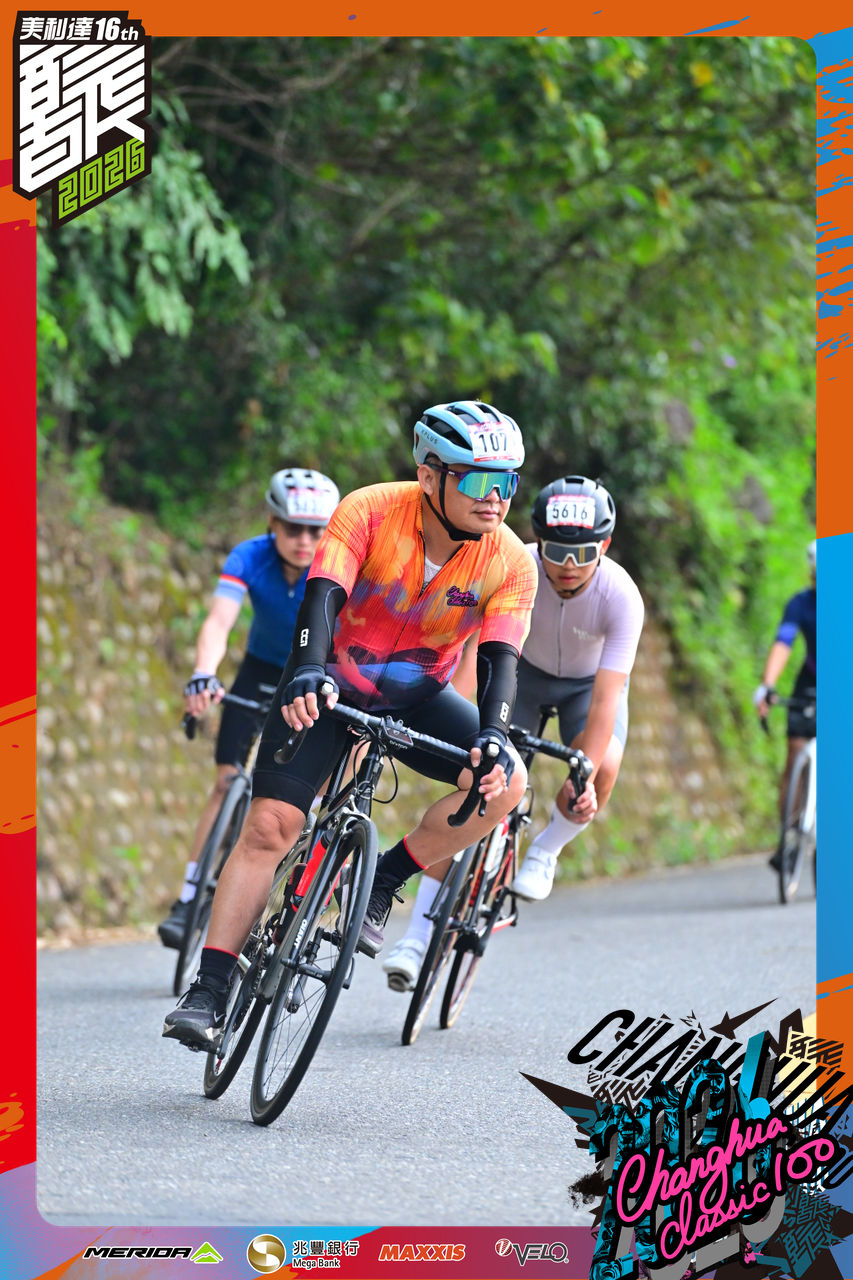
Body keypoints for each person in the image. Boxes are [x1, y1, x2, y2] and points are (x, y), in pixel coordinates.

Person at [162, 400, 538, 1049]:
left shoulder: (510, 561)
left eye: (506, 482)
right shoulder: (369, 509)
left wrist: (494, 734)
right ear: (430, 476)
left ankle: (384, 879)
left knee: (507, 785)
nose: (495, 497)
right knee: (270, 826)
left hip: (417, 697)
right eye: (478, 480)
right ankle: (210, 988)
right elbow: (322, 596)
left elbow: (501, 658)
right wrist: (308, 670)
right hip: (329, 680)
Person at [381, 475, 644, 992]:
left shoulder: (622, 597)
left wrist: (583, 774)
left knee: (601, 767)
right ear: (537, 541)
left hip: (587, 687)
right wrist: (460, 728)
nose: (568, 567)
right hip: (518, 675)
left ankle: (547, 848)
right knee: (473, 795)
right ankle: (415, 938)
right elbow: (472, 653)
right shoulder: (513, 562)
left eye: (584, 554)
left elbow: (608, 699)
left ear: (606, 546)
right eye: (555, 552)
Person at [157, 468, 340, 948]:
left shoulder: (336, 564)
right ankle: (188, 897)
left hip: (314, 674)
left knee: (310, 801)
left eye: (316, 531)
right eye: (293, 528)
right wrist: (204, 671)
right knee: (225, 782)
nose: (305, 541)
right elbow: (219, 622)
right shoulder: (249, 556)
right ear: (272, 523)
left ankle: (293, 891)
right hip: (260, 669)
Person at [752, 539, 816, 862]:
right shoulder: (801, 604)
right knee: (794, 754)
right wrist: (767, 684)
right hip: (810, 681)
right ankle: (788, 836)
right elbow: (783, 643)